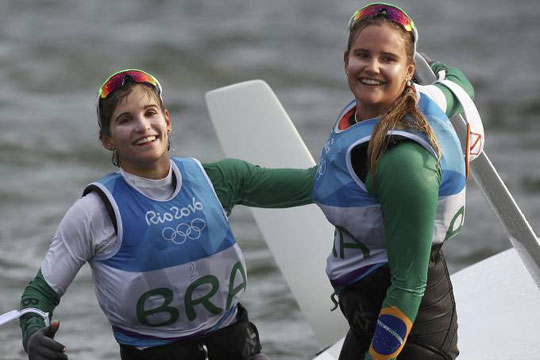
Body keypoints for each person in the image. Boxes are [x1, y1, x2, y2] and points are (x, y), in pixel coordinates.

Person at [18, 69, 317, 360]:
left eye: (150, 113)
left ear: (167, 121)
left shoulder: (218, 181)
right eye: (126, 120)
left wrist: (361, 142)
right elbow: (39, 296)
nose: (142, 126)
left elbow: (317, 183)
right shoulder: (94, 212)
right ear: (107, 139)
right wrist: (33, 336)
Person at [312, 3, 476, 360]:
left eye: (388, 59)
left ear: (408, 71)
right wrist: (241, 181)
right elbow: (460, 87)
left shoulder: (404, 162)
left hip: (412, 335)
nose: (372, 67)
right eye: (363, 55)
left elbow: (407, 287)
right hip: (367, 323)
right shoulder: (417, 99)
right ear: (345, 61)